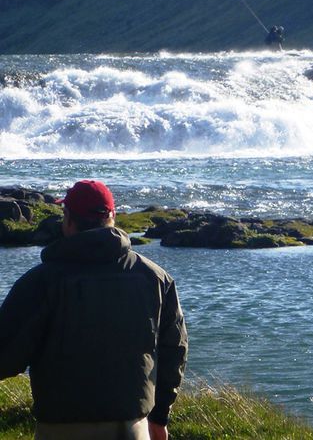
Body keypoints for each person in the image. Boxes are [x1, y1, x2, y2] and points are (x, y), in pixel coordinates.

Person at [0, 180, 188, 440]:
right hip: (133, 428)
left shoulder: (40, 282)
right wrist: (159, 417)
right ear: (113, 216)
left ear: (68, 219)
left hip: (61, 429)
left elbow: (6, 355)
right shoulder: (156, 278)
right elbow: (174, 350)